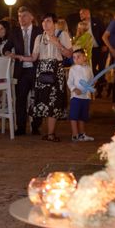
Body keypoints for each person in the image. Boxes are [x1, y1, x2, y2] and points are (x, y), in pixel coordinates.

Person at [14, 13, 72, 142]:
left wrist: (57, 44)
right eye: (43, 21)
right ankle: (49, 132)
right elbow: (34, 57)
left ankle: (51, 134)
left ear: (54, 23)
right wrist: (20, 57)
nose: (45, 23)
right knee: (44, 102)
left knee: (54, 102)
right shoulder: (39, 37)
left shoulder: (62, 35)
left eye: (48, 21)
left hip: (56, 71)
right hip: (42, 72)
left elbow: (69, 54)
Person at [2, 6, 42, 136]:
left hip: (36, 69)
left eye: (24, 15)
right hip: (21, 71)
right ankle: (21, 127)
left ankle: (36, 126)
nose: (21, 19)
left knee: (37, 98)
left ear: (31, 17)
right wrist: (9, 53)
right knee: (20, 99)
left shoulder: (39, 31)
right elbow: (6, 47)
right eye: (19, 16)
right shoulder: (15, 32)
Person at [67, 49, 94, 142]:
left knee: (83, 117)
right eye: (74, 57)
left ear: (84, 57)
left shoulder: (88, 68)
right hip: (76, 97)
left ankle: (82, 135)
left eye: (78, 57)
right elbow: (69, 82)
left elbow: (91, 80)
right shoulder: (73, 69)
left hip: (85, 97)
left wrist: (92, 86)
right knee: (74, 116)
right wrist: (74, 89)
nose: (76, 59)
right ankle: (75, 135)